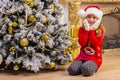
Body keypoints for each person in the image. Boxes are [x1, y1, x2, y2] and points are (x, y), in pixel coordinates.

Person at [67, 5, 105, 76]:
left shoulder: (100, 30)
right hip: (82, 56)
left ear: (98, 19)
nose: (91, 19)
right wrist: (87, 30)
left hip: (95, 57)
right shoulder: (81, 30)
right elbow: (82, 43)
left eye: (94, 18)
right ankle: (82, 67)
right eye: (89, 17)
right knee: (72, 70)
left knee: (86, 69)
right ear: (85, 18)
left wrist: (92, 31)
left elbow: (95, 44)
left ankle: (88, 67)